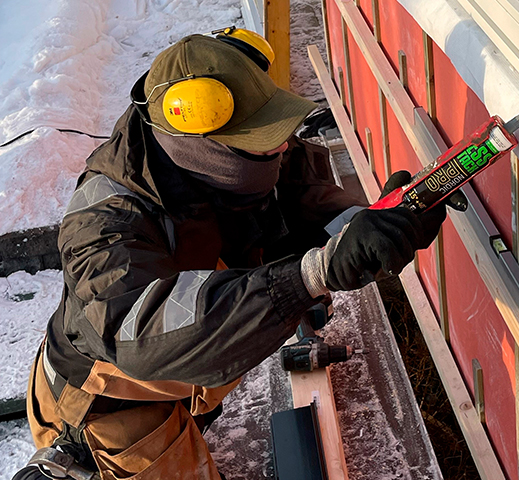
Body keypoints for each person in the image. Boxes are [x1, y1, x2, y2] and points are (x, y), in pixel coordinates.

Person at [14, 28, 461, 480]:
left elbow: (293, 202)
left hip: (181, 379)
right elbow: (151, 333)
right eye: (265, 140)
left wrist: (375, 223)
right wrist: (309, 276)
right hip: (111, 410)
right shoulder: (103, 225)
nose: (283, 146)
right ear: (206, 149)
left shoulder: (232, 161)